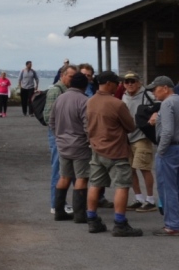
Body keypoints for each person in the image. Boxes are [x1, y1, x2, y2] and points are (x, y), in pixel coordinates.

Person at [84, 72, 142, 236]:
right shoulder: (117, 104)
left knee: (95, 184)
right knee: (122, 186)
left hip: (97, 148)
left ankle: (92, 219)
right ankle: (120, 223)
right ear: (109, 83)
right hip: (116, 150)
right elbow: (130, 126)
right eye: (117, 83)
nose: (119, 86)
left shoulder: (90, 102)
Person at [149, 76, 179, 236]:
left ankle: (173, 225)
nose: (154, 93)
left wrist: (160, 151)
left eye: (155, 89)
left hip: (171, 148)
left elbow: (167, 131)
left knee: (168, 188)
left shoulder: (167, 103)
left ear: (165, 88)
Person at [52, 71, 93, 223]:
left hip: (62, 144)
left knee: (64, 177)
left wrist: (59, 136)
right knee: (81, 178)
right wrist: (90, 141)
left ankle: (59, 211)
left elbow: (52, 121)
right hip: (80, 145)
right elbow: (87, 125)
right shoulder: (85, 100)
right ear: (85, 85)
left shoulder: (60, 98)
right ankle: (80, 214)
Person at [122, 73, 159, 210]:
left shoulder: (147, 95)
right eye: (127, 81)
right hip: (128, 138)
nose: (130, 84)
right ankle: (139, 198)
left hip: (142, 137)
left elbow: (160, 106)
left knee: (144, 168)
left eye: (133, 81)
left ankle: (150, 200)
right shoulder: (124, 96)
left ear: (139, 82)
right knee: (130, 169)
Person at [44, 65, 73, 216]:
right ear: (62, 75)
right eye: (70, 76)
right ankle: (55, 204)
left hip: (65, 135)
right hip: (57, 135)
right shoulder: (55, 91)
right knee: (57, 168)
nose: (72, 79)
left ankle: (62, 203)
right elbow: (47, 116)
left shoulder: (68, 90)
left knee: (67, 170)